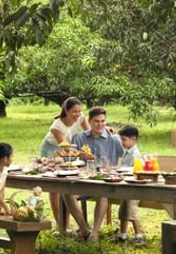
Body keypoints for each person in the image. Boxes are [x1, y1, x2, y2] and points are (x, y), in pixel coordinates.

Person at [40, 97, 92, 237]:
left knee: (67, 183)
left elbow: (89, 133)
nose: (77, 114)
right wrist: (81, 154)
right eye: (74, 112)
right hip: (52, 150)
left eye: (79, 111)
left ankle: (67, 222)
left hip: (69, 151)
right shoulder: (57, 126)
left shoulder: (81, 117)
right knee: (55, 188)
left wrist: (106, 129)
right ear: (66, 110)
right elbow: (65, 147)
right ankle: (61, 224)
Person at [71, 107, 123, 241]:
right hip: (84, 181)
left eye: (102, 121)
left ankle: (94, 234)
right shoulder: (79, 138)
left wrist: (114, 168)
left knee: (102, 193)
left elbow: (127, 160)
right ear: (89, 121)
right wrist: (79, 155)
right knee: (65, 193)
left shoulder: (114, 139)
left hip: (105, 183)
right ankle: (83, 228)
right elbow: (68, 159)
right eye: (96, 121)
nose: (100, 125)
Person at [116, 124, 146, 246]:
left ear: (133, 139)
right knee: (123, 209)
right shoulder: (127, 152)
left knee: (131, 210)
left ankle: (138, 234)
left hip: (134, 187)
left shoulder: (135, 154)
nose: (122, 142)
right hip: (126, 185)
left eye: (124, 140)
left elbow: (138, 170)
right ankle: (123, 235)